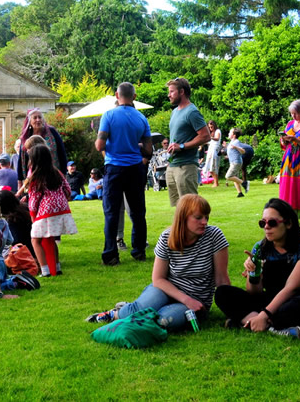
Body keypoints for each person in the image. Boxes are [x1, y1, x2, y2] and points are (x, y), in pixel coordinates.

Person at [86, 194, 230, 330]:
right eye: (198, 218)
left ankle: (136, 311)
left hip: (196, 300)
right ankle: (116, 314)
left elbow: (222, 279)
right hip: (166, 290)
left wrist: (233, 311)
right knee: (139, 309)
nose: (204, 222)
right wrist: (185, 299)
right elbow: (158, 279)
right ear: (183, 217)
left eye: (206, 217)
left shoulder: (214, 236)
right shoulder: (167, 237)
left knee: (163, 321)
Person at [215, 198, 300, 339]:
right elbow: (254, 293)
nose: (266, 227)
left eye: (272, 223)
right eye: (263, 223)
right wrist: (254, 274)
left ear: (288, 223)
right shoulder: (260, 248)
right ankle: (275, 328)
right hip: (271, 300)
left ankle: (247, 321)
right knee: (223, 293)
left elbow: (291, 288)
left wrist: (264, 315)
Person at [96, 82, 153, 266]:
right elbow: (149, 150)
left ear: (116, 95)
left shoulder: (109, 115)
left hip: (114, 168)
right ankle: (139, 251)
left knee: (111, 212)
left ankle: (111, 254)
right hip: (135, 168)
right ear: (134, 97)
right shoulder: (142, 118)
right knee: (138, 212)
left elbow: (99, 145)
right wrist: (136, 146)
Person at [26, 144, 77, 276]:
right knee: (52, 238)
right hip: (62, 208)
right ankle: (57, 268)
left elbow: (33, 201)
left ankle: (45, 271)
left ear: (34, 160)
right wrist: (61, 199)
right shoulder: (57, 172)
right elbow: (68, 189)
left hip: (45, 211)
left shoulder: (36, 177)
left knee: (35, 239)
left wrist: (33, 217)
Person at [0, 194, 39, 291]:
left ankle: (17, 282)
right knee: (1, 280)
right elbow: (10, 240)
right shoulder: (3, 222)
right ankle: (14, 279)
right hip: (1, 260)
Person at [165, 77, 209, 206]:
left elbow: (205, 136)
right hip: (172, 166)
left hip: (186, 167)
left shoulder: (192, 112)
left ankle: (199, 227)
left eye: (172, 91)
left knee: (191, 208)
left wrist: (182, 146)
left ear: (182, 92)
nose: (169, 95)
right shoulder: (174, 112)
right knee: (179, 209)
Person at [17, 109, 67, 183]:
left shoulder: (51, 132)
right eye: (35, 118)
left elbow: (62, 152)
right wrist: (20, 180)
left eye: (40, 117)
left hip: (52, 174)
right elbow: (21, 160)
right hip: (33, 177)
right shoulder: (26, 136)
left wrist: (64, 174)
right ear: (29, 121)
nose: (38, 120)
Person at [0, 189, 35, 257]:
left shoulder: (12, 220)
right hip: (35, 246)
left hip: (26, 252)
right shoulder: (25, 208)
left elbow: (15, 241)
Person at [225, 128, 247, 198]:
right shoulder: (231, 142)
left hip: (236, 162)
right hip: (233, 162)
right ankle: (240, 193)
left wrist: (236, 147)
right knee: (235, 177)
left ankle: (244, 183)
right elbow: (232, 152)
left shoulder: (236, 142)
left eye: (230, 132)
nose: (228, 133)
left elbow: (243, 151)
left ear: (234, 135)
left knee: (228, 176)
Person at [202, 121, 222, 188]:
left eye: (212, 127)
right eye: (209, 127)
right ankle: (215, 182)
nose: (211, 128)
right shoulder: (211, 133)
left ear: (214, 125)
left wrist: (210, 138)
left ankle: (216, 182)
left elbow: (217, 139)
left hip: (214, 150)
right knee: (209, 166)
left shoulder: (217, 131)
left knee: (213, 166)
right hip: (210, 150)